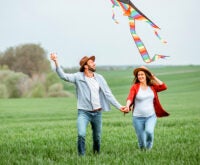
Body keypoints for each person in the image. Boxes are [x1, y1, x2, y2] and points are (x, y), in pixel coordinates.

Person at [50, 53, 127, 156]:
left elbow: (108, 94)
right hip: (83, 112)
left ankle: (96, 156)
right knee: (81, 134)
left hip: (97, 112)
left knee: (97, 138)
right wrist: (56, 61)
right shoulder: (78, 77)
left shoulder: (100, 78)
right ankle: (82, 157)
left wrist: (119, 107)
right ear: (85, 66)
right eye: (91, 62)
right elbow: (63, 76)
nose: (94, 64)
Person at [125, 66, 169, 150]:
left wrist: (154, 77)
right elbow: (130, 97)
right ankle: (143, 153)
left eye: (142, 74)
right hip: (137, 117)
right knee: (141, 140)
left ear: (146, 76)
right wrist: (127, 106)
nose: (140, 76)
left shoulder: (152, 87)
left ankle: (148, 150)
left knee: (149, 131)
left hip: (151, 116)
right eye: (139, 75)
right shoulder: (135, 87)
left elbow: (164, 87)